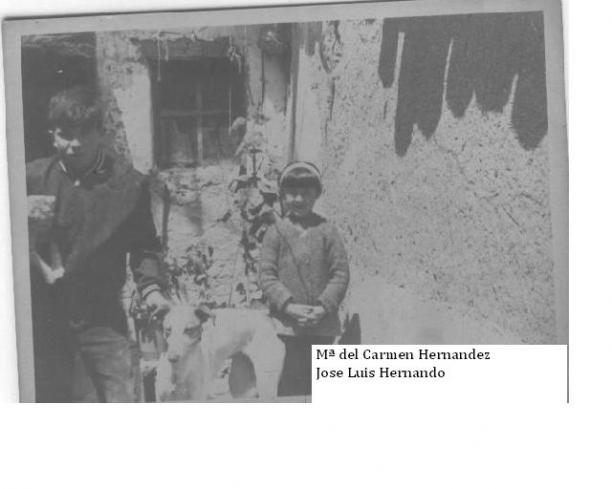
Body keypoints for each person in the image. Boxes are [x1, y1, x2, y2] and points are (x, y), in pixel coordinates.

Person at [27, 85, 168, 402]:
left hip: (102, 316)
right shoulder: (29, 179)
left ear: (101, 133)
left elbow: (145, 246)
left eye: (84, 134)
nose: (75, 144)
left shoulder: (128, 185)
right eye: (65, 135)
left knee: (120, 398)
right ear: (52, 135)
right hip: (45, 316)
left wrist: (151, 289)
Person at [259, 161, 350, 397]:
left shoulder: (327, 231)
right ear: (283, 195)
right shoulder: (276, 232)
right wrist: (289, 306)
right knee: (290, 382)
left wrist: (323, 308)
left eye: (306, 193)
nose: (298, 199)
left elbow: (340, 274)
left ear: (316, 195)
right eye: (292, 193)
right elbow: (267, 275)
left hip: (323, 325)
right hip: (286, 327)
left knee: (319, 385)